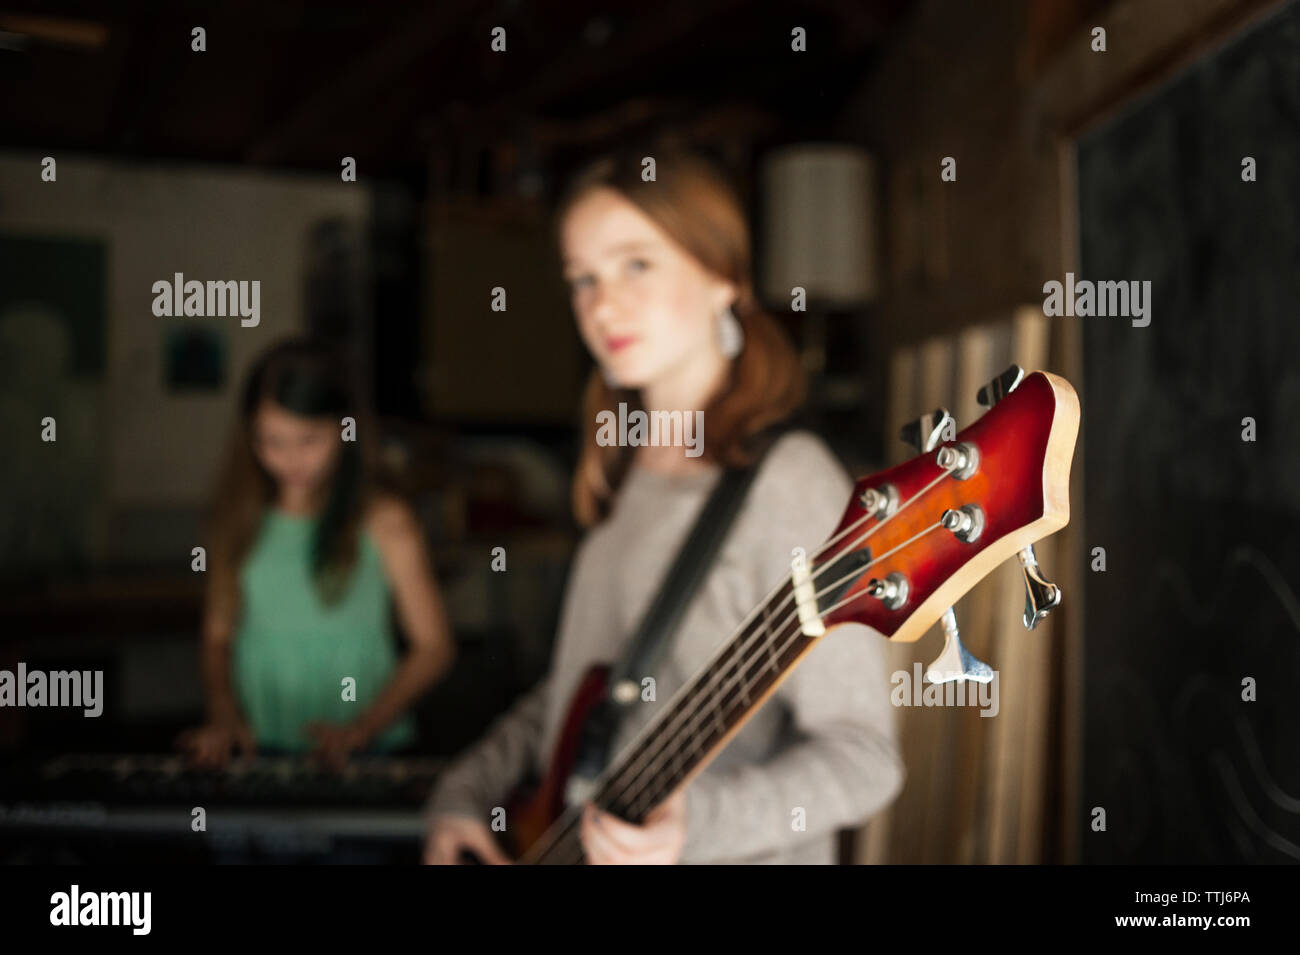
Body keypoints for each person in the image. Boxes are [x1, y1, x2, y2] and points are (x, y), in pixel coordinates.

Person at [423, 147, 904, 864]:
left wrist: (696, 826)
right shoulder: (623, 469)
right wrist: (463, 795)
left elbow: (865, 757)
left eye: (636, 265)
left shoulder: (791, 483)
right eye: (582, 278)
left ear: (723, 277)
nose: (601, 305)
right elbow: (575, 696)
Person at [177, 338, 455, 769]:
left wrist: (364, 726)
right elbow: (217, 638)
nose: (290, 459)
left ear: (346, 430)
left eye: (309, 440)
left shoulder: (384, 520)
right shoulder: (234, 519)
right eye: (271, 441)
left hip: (365, 754)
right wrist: (223, 712)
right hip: (256, 749)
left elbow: (434, 647)